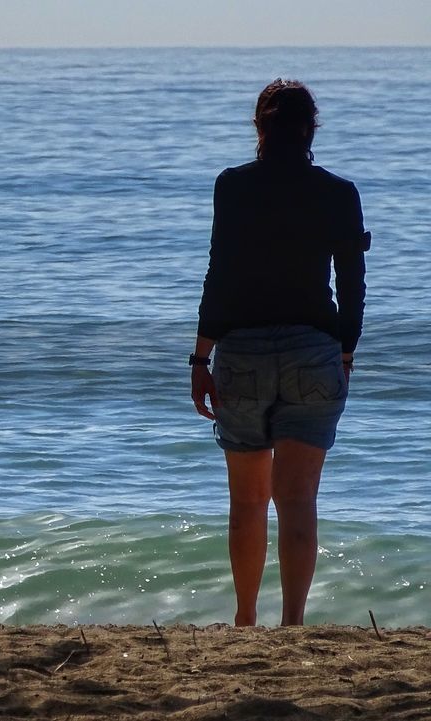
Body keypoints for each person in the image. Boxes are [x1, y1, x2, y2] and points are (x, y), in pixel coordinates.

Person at [190, 79, 370, 627]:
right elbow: (353, 281)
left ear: (259, 128)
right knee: (297, 500)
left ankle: (245, 619)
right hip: (313, 350)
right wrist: (345, 352)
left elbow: (219, 275)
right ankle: (292, 624)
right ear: (312, 128)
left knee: (247, 503)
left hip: (241, 351)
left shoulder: (233, 187)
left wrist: (200, 358)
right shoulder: (339, 192)